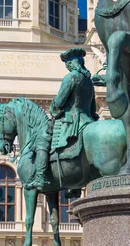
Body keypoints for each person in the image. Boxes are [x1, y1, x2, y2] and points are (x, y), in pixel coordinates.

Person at [27, 48, 99, 189]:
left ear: (74, 63)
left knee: (43, 140)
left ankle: (40, 177)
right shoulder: (88, 81)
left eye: (68, 63)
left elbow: (59, 101)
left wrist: (54, 110)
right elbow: (93, 107)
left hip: (71, 122)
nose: (67, 66)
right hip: (88, 120)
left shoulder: (71, 77)